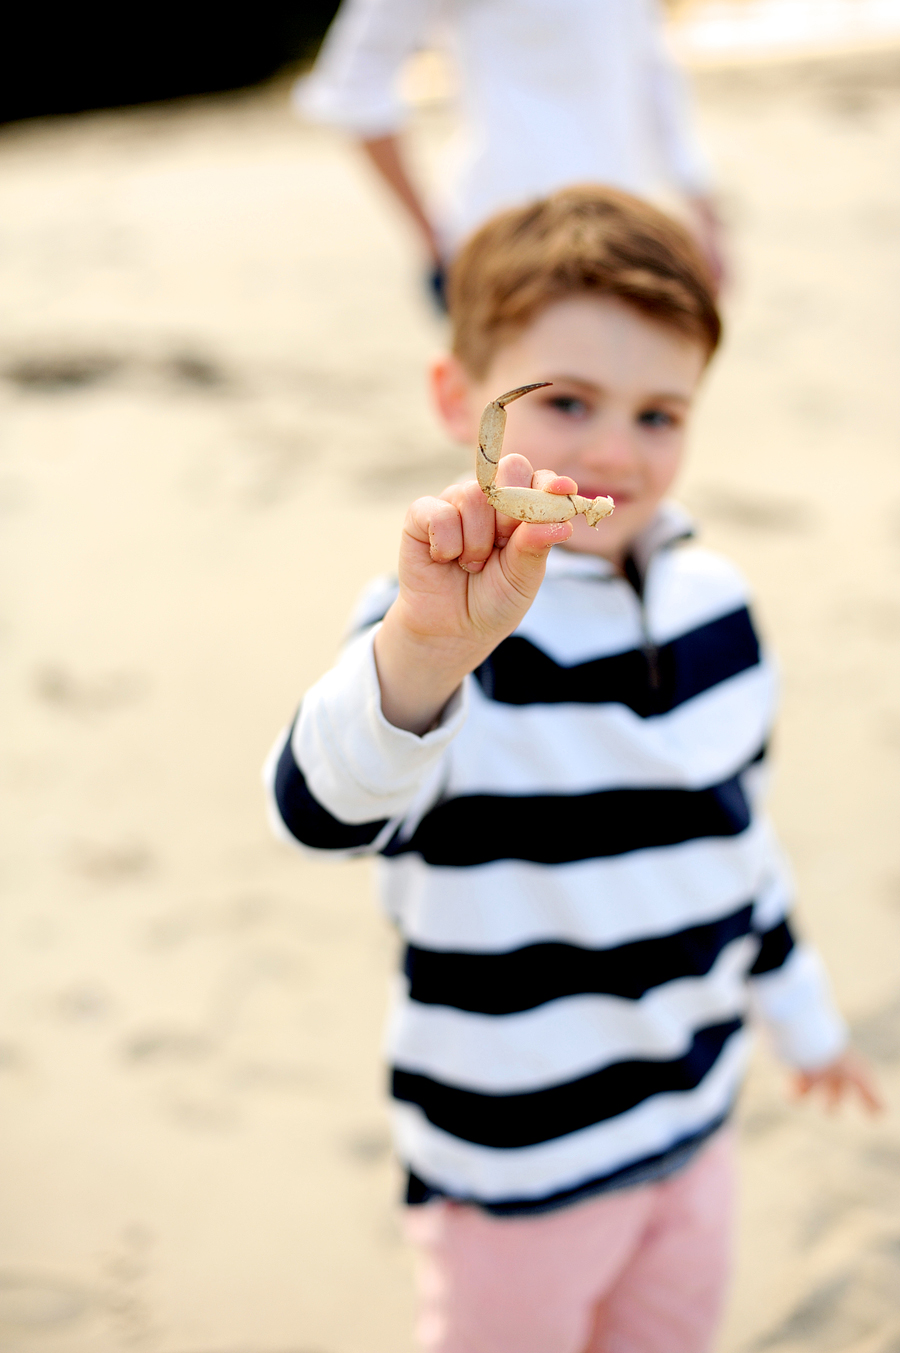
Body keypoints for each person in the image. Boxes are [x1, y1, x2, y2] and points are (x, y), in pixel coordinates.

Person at [264, 186, 879, 1352]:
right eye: (567, 402)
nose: (613, 449)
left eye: (660, 413)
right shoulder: (446, 627)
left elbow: (736, 841)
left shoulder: (721, 607)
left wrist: (800, 1019)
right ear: (463, 401)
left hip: (692, 1123)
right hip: (515, 1156)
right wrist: (420, 657)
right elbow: (320, 812)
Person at [295, 0, 726, 298]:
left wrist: (703, 213)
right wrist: (434, 244)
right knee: (523, 421)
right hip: (508, 246)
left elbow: (650, 67)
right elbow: (354, 84)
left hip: (627, 236)